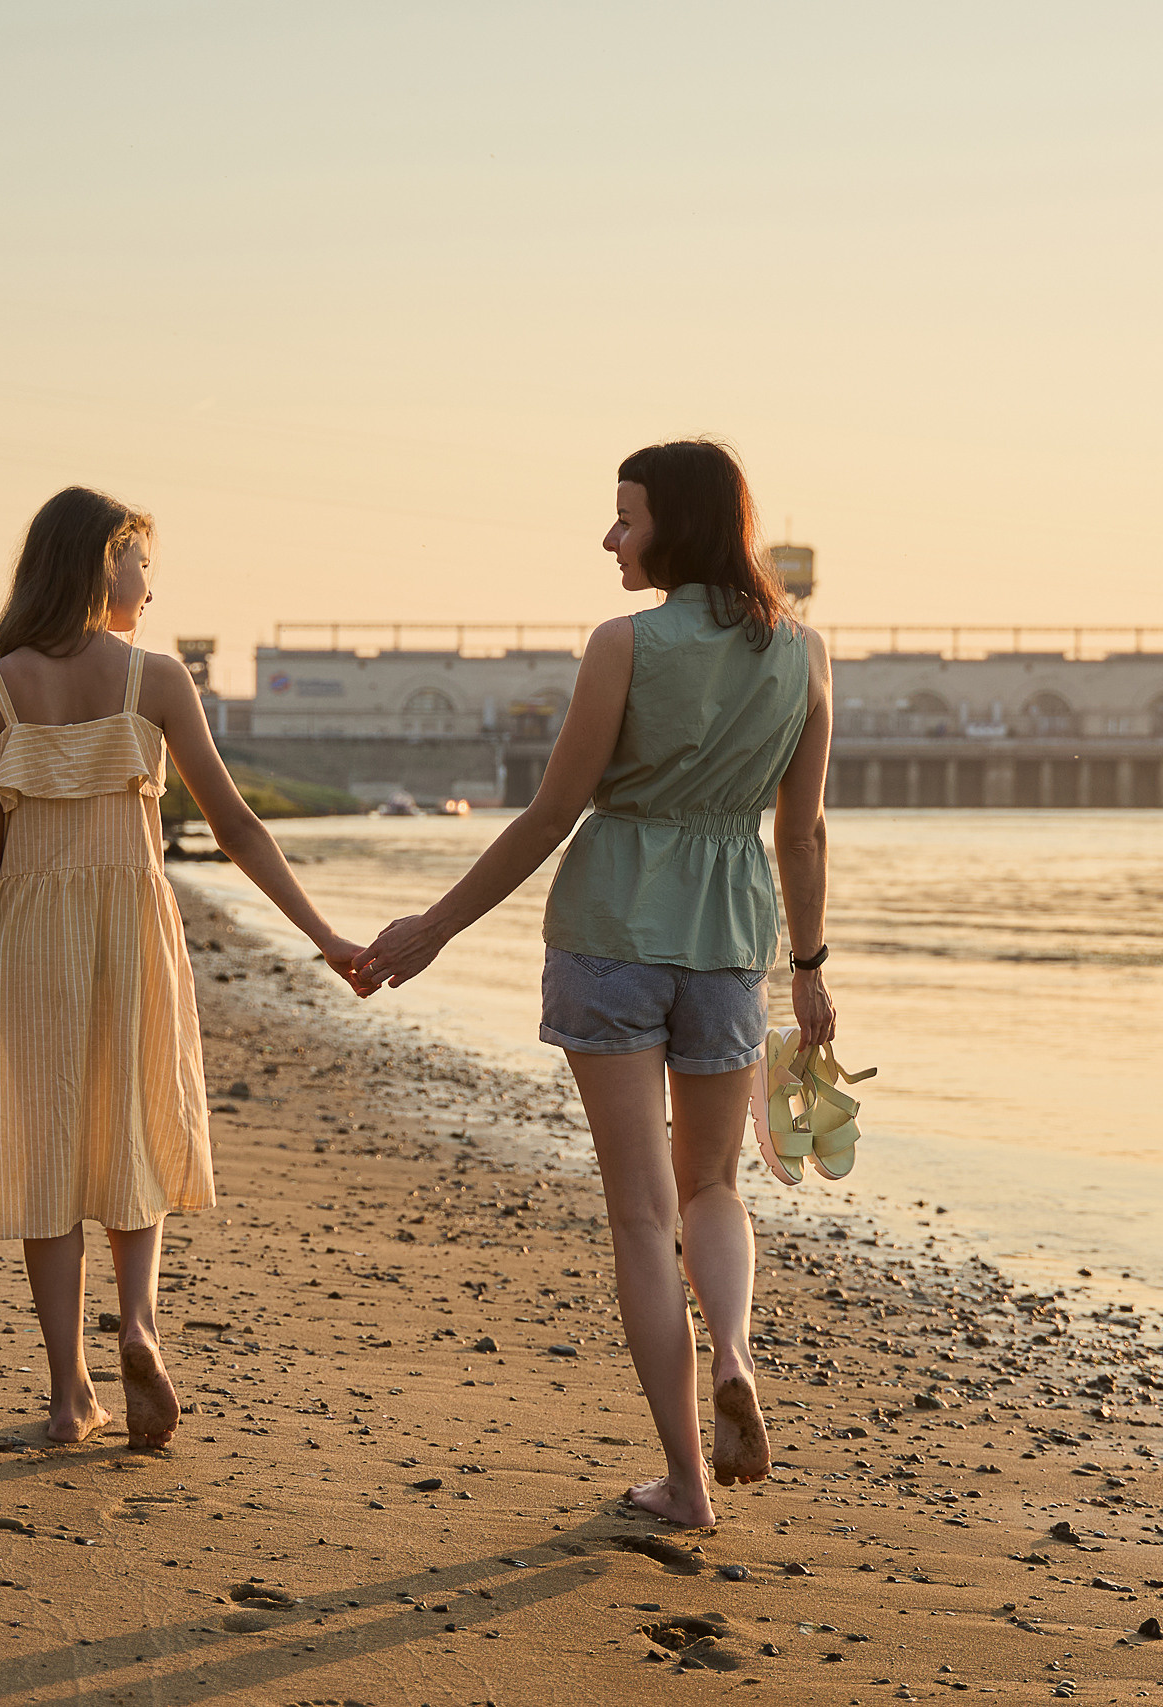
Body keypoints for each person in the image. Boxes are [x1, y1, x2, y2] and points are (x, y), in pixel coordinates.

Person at [357, 440, 835, 1526]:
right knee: (712, 1187)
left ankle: (686, 1484)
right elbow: (799, 831)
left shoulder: (623, 643)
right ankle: (737, 1353)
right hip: (729, 943)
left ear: (678, 525)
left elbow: (547, 814)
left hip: (612, 927)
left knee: (638, 1216)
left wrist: (432, 929)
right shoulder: (804, 654)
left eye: (626, 518)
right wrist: (806, 970)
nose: (611, 537)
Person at [0, 487, 369, 1448]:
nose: (150, 582)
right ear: (107, 564)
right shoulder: (156, 677)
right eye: (143, 561)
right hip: (130, 928)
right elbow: (236, 829)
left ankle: (70, 1396)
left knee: (46, 1150)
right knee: (133, 1126)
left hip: (26, 936)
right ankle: (139, 1323)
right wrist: (326, 937)